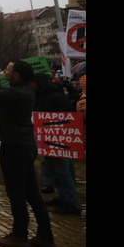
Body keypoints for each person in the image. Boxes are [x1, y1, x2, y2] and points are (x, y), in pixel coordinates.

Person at [0, 57, 56, 247]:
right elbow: (1, 92)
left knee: (16, 193)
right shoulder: (22, 91)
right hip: (24, 145)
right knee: (32, 193)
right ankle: (45, 235)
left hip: (15, 147)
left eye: (8, 70)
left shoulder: (18, 93)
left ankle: (19, 235)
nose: (5, 72)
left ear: (16, 75)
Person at [32, 73, 81, 215]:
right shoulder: (40, 96)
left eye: (33, 82)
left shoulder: (56, 96)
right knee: (53, 170)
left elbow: (67, 117)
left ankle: (71, 202)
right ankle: (62, 197)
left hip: (58, 140)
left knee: (62, 171)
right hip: (46, 139)